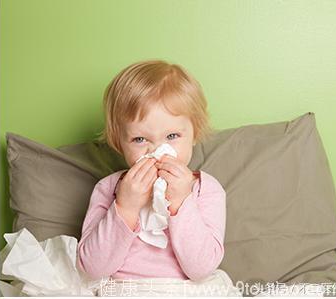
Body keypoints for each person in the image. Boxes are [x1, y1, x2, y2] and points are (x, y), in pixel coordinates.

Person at [76, 59, 227, 283]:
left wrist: (181, 201)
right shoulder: (109, 188)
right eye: (139, 139)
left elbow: (201, 269)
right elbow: (91, 269)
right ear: (119, 143)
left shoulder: (206, 189)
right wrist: (125, 207)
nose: (157, 150)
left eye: (172, 136)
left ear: (194, 133)